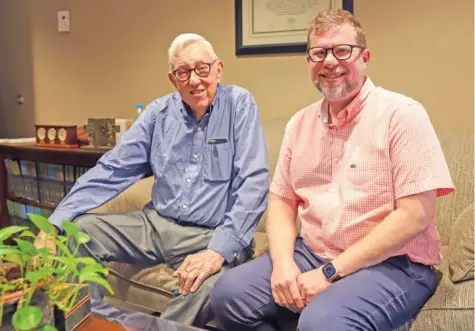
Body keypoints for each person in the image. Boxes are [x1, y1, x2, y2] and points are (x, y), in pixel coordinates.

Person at [210, 8, 454, 331]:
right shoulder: (299, 124)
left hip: (394, 263)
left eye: (342, 50)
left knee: (321, 323)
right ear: (309, 62)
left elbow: (415, 215)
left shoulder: (403, 115)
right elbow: (283, 201)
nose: (329, 61)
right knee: (228, 295)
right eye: (319, 52)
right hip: (311, 253)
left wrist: (330, 273)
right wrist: (283, 265)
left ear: (365, 57)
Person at [34, 33, 269, 327]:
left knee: (205, 285)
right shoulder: (158, 112)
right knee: (79, 231)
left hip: (210, 234)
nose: (194, 80)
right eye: (183, 72)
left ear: (218, 69)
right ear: (173, 79)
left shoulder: (239, 104)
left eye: (202, 69)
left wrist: (217, 251)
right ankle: (83, 322)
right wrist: (56, 221)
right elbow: (112, 169)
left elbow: (254, 183)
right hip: (156, 225)